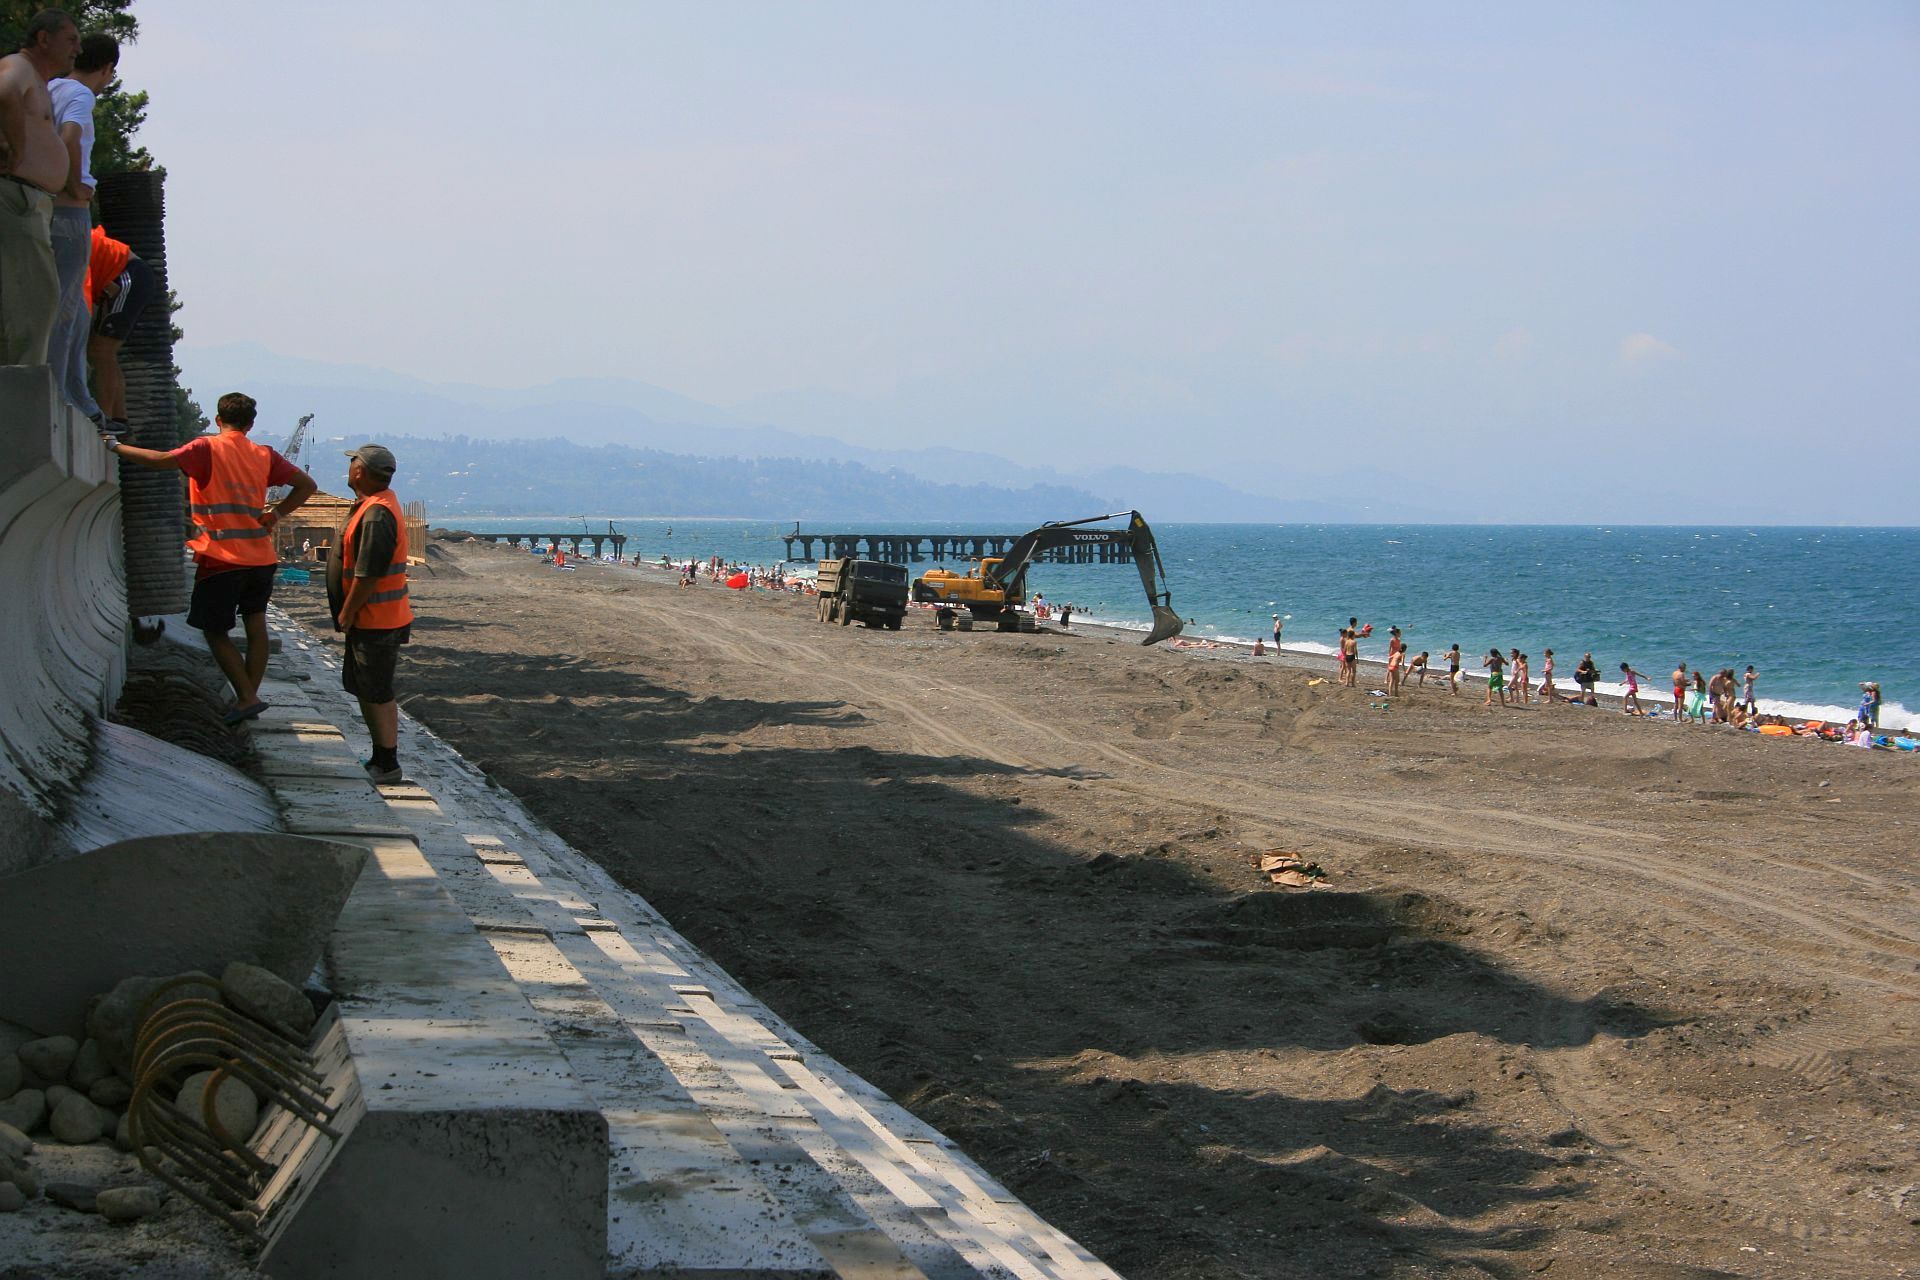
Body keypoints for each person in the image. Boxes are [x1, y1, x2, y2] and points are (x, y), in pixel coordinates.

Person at [104, 392, 315, 721]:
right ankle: (249, 696)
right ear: (250, 423)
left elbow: (160, 461)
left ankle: (246, 697)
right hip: (260, 557)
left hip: (221, 557)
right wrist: (276, 514)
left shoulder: (206, 449)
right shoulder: (264, 454)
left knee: (215, 630)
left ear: (218, 420)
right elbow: (306, 485)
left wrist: (115, 446)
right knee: (256, 624)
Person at [0, 10, 80, 365]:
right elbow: (4, 93)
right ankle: (20, 404)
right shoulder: (19, 66)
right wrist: (18, 148)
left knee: (30, 302)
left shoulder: (40, 81)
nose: (77, 50)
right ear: (43, 39)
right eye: (71, 40)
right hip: (16, 196)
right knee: (34, 300)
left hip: (30, 199)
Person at [331, 444, 413, 785]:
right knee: (365, 687)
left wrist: (347, 612)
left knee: (376, 690)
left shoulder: (378, 513)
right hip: (374, 617)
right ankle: (381, 757)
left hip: (377, 619)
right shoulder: (371, 506)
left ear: (360, 471)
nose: (348, 467)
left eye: (352, 462)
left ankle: (387, 762)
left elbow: (369, 573)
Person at [45, 30, 114, 423]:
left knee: (60, 305)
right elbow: (70, 136)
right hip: (69, 209)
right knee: (70, 307)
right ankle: (66, 391)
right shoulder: (81, 95)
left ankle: (69, 388)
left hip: (41, 203)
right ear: (106, 69)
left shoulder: (48, 88)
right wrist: (74, 181)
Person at [82, 225, 155, 429]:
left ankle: (104, 418)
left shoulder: (66, 237)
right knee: (104, 352)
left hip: (127, 276)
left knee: (102, 350)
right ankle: (118, 417)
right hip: (131, 277)